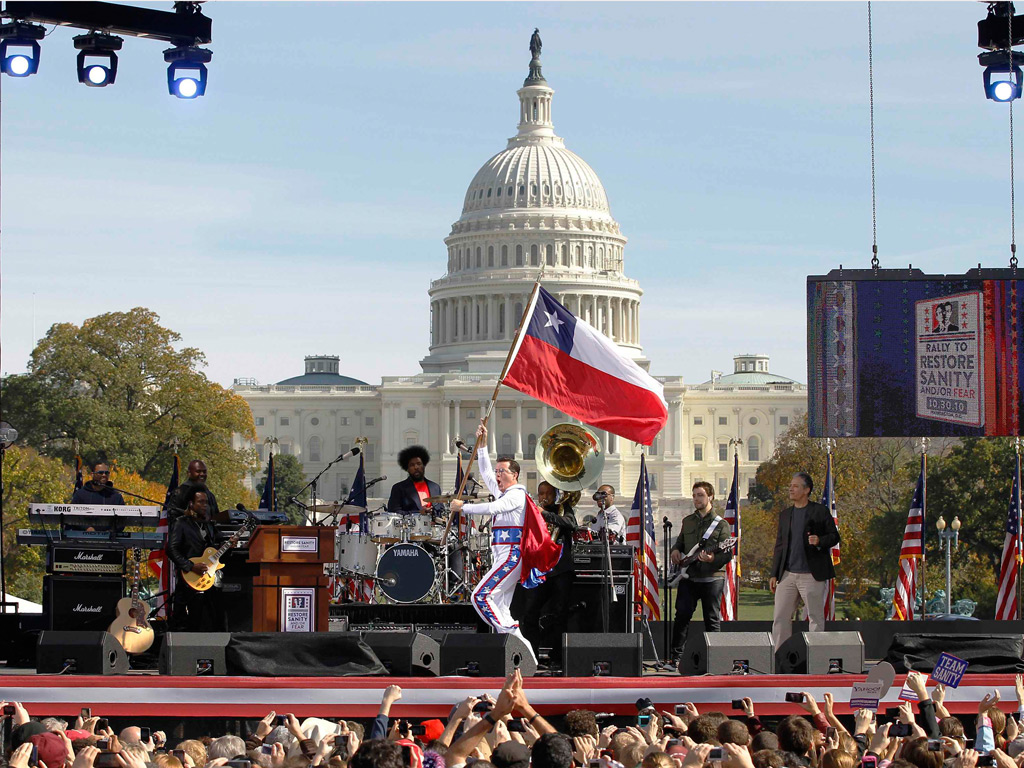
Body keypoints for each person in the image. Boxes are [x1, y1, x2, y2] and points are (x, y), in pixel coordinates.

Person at [450, 423, 537, 663]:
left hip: (511, 555)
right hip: (503, 555)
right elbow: (486, 472)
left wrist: (463, 507)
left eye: (502, 471)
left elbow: (494, 508)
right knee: (500, 606)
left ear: (515, 474)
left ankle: (507, 636)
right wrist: (483, 445)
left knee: (479, 596)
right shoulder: (504, 492)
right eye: (498, 471)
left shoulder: (517, 494)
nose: (497, 475)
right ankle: (524, 652)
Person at [770, 472, 841, 650]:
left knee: (815, 618)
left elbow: (834, 536)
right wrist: (774, 573)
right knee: (780, 617)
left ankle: (815, 657)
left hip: (812, 574)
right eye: (790, 486)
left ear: (806, 490)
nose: (791, 489)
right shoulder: (786, 515)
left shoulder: (819, 511)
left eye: (795, 486)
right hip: (787, 575)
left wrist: (819, 541)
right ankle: (780, 657)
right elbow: (779, 546)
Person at [668, 481, 734, 661]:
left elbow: (727, 554)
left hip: (712, 578)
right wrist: (675, 549)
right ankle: (676, 657)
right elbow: (681, 541)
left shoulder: (721, 525)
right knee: (681, 616)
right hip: (689, 576)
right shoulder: (687, 521)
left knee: (711, 619)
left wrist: (713, 559)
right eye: (694, 495)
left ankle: (715, 659)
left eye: (701, 495)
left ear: (710, 496)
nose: (696, 499)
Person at [516, 481, 576, 667]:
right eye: (541, 493)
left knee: (560, 613)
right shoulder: (533, 510)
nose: (543, 497)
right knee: (530, 612)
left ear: (554, 493)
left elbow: (571, 524)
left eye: (547, 493)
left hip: (560, 569)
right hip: (539, 569)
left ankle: (558, 658)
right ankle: (531, 656)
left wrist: (546, 515)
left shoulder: (562, 507)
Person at [167, 485, 225, 632]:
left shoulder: (210, 526)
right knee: (189, 622)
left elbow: (217, 550)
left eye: (206, 502)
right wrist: (190, 566)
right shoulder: (182, 523)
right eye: (200, 502)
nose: (204, 505)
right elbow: (171, 549)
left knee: (213, 621)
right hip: (189, 581)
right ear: (191, 504)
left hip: (210, 580)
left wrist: (227, 545)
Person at [387, 446, 442, 515]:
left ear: (423, 465)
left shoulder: (435, 487)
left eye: (419, 464)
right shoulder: (398, 488)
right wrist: (418, 513)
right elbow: (393, 512)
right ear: (407, 469)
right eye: (412, 465)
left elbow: (440, 511)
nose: (416, 467)